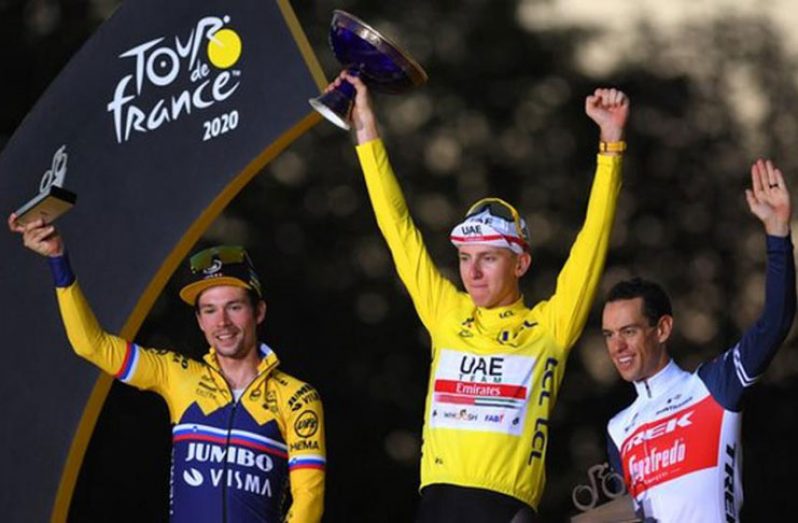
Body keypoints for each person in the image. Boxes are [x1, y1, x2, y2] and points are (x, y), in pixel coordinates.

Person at [328, 71, 629, 521]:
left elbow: (592, 241)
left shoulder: (549, 327)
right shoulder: (446, 313)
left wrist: (610, 146)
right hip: (435, 505)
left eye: (488, 258)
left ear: (520, 264)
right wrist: (366, 127)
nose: (472, 271)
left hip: (503, 508)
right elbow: (398, 230)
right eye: (466, 257)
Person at [7, 216, 326, 523]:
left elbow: (309, 498)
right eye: (210, 310)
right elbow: (92, 345)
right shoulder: (178, 375)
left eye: (234, 306)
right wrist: (58, 261)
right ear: (200, 322)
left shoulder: (296, 397)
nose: (222, 322)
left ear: (259, 312)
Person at [600, 159, 795, 522]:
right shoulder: (617, 429)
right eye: (609, 335)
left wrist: (778, 233)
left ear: (662, 329)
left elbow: (775, 324)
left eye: (629, 331)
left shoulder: (712, 386)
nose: (617, 347)